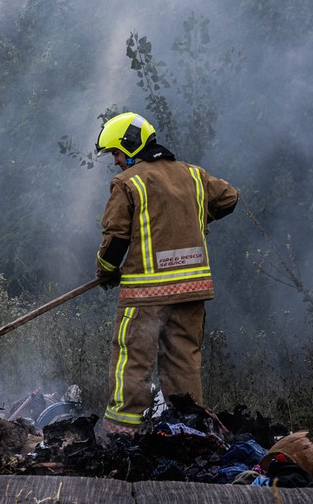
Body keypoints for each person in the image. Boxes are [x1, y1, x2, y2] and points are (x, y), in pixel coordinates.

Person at [93, 112, 239, 435]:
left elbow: (115, 239)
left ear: (130, 146)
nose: (115, 161)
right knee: (183, 364)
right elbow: (230, 197)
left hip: (146, 296)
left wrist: (106, 269)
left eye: (116, 152)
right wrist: (193, 216)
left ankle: (122, 434)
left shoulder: (128, 183)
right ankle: (188, 432)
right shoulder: (193, 175)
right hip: (192, 291)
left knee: (132, 362)